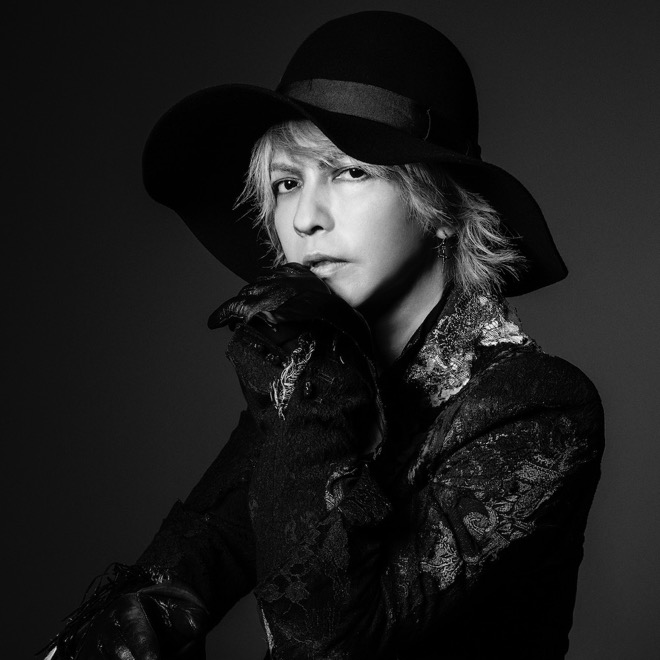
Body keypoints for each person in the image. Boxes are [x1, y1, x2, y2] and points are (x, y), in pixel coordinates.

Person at [45, 11, 604, 660]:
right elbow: (176, 579)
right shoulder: (316, 382)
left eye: (349, 172)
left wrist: (313, 379)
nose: (305, 218)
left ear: (444, 208)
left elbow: (323, 639)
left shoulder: (537, 408)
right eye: (287, 184)